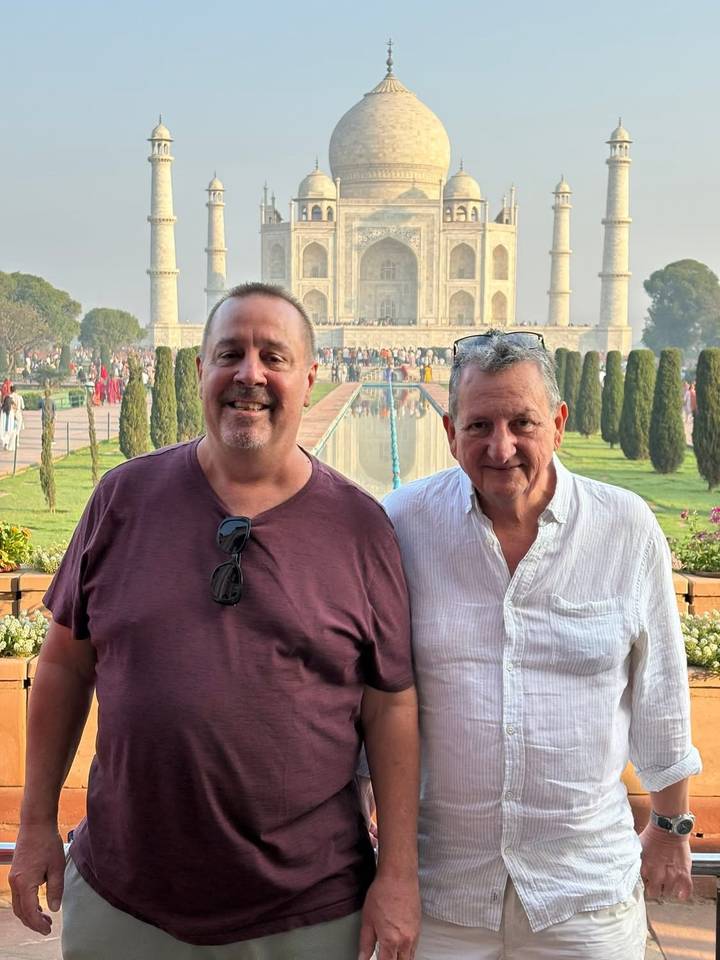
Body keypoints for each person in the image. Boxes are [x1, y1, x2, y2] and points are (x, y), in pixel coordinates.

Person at [10, 282, 420, 960]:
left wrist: (399, 872)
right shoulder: (125, 498)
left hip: (305, 908)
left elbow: (391, 706)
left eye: (274, 356)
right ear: (200, 370)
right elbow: (63, 662)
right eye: (230, 352)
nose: (249, 374)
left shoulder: (357, 527)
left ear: (310, 378)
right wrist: (34, 825)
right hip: (126, 897)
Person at [380, 330, 700, 959]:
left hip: (582, 891)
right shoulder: (403, 525)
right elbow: (373, 687)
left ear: (557, 422)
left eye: (521, 422)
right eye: (479, 425)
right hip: (443, 890)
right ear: (449, 430)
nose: (501, 448)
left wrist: (669, 827)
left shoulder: (623, 528)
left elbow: (660, 690)